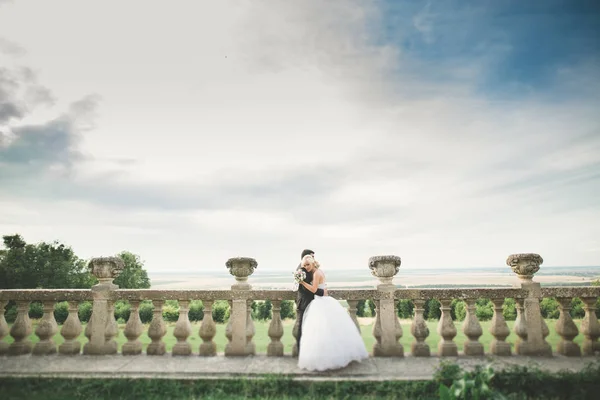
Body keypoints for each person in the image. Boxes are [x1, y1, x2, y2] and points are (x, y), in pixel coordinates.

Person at [297, 255, 369, 371]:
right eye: (304, 265)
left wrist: (302, 282)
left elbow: (315, 289)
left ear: (313, 263)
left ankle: (326, 359)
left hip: (321, 303)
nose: (306, 267)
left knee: (323, 331)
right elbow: (321, 289)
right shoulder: (318, 271)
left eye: (307, 264)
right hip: (321, 300)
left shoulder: (316, 273)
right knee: (322, 331)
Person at [295, 249, 325, 353]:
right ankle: (301, 352)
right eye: (311, 256)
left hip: (311, 302)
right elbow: (309, 289)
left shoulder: (310, 270)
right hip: (305, 303)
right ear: (305, 257)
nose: (313, 258)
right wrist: (321, 291)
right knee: (302, 328)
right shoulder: (303, 270)